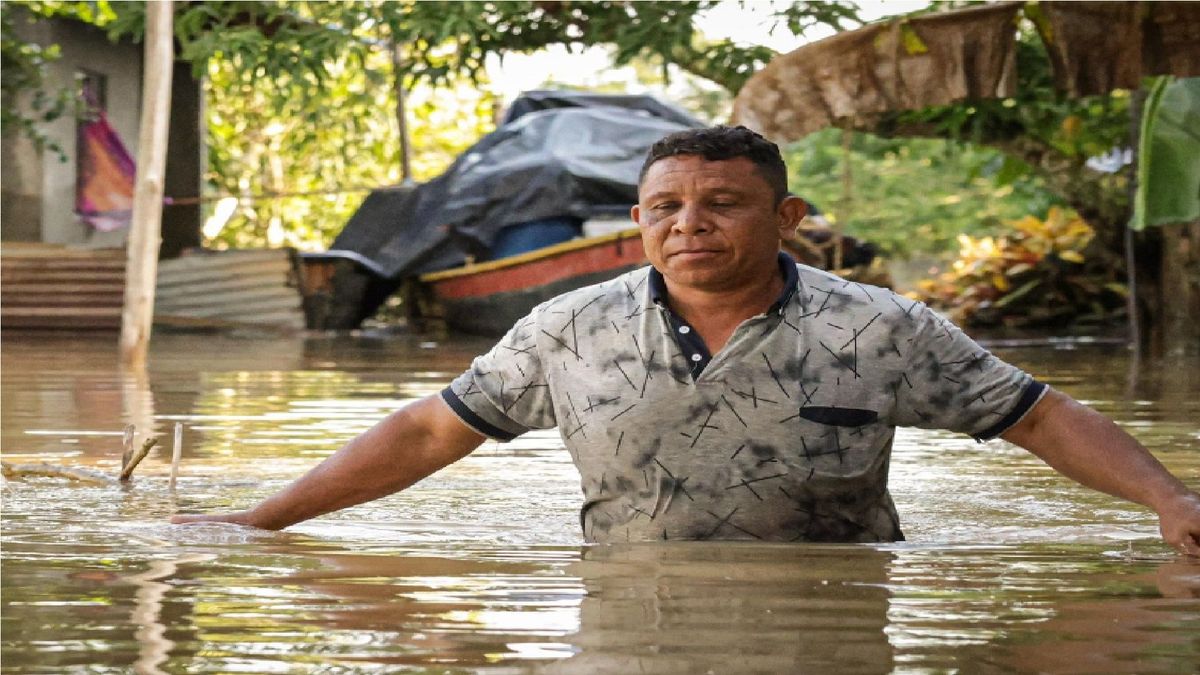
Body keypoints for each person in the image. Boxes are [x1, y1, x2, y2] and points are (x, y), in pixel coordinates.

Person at [174, 126, 1200, 553]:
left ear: (788, 218)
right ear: (639, 217)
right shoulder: (566, 327)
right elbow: (424, 437)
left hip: (833, 622)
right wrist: (256, 525)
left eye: (721, 204)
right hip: (628, 623)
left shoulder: (881, 328)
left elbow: (1042, 418)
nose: (689, 224)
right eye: (666, 206)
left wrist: (1168, 501)